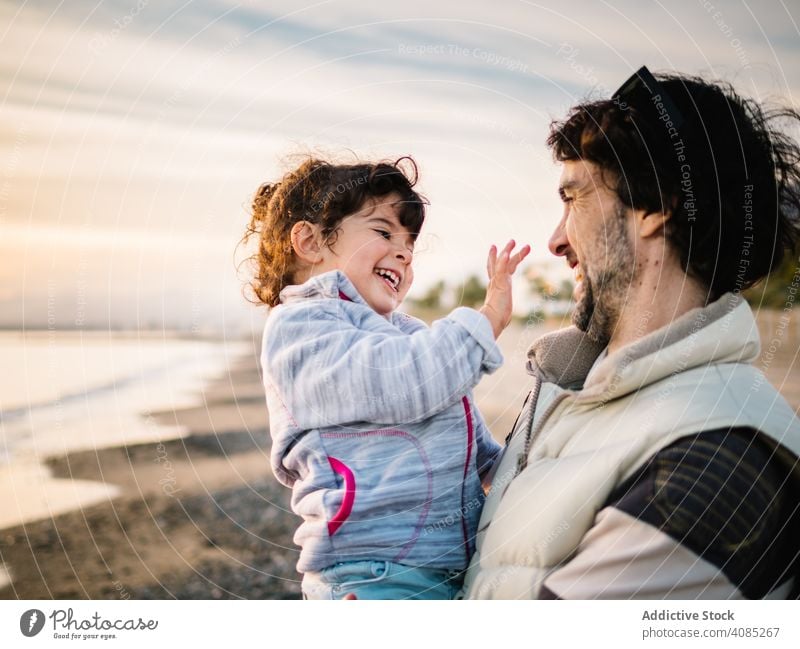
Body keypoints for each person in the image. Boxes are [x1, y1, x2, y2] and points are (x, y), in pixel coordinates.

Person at [461, 67, 800, 599]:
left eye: (573, 198)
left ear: (656, 204)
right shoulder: (569, 386)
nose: (555, 240)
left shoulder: (713, 464)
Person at [244, 156, 529, 599]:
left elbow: (472, 446)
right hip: (370, 576)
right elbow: (406, 380)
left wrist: (523, 459)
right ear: (310, 240)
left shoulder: (406, 336)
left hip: (443, 571)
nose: (404, 253)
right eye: (383, 232)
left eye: (410, 246)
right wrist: (487, 319)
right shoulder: (300, 327)